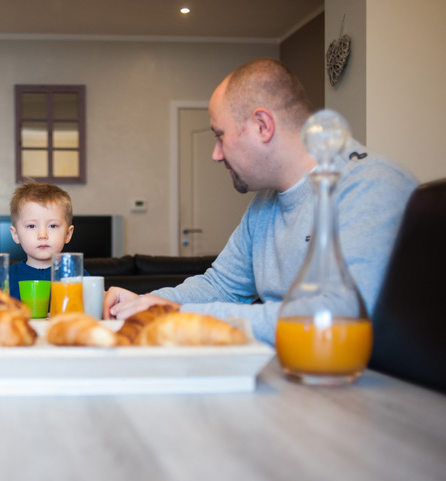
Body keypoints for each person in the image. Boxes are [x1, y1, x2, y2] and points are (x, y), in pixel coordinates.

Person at [103, 58, 418, 345]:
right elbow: (221, 285)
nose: (215, 154)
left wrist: (181, 314)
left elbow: (336, 318)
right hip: (290, 374)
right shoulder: (264, 205)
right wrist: (144, 303)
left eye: (219, 135)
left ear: (262, 126)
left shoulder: (369, 185)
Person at [7, 182, 85, 300]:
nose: (42, 235)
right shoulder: (6, 277)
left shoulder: (76, 276)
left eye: (53, 226)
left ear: (68, 234)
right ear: (16, 234)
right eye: (32, 226)